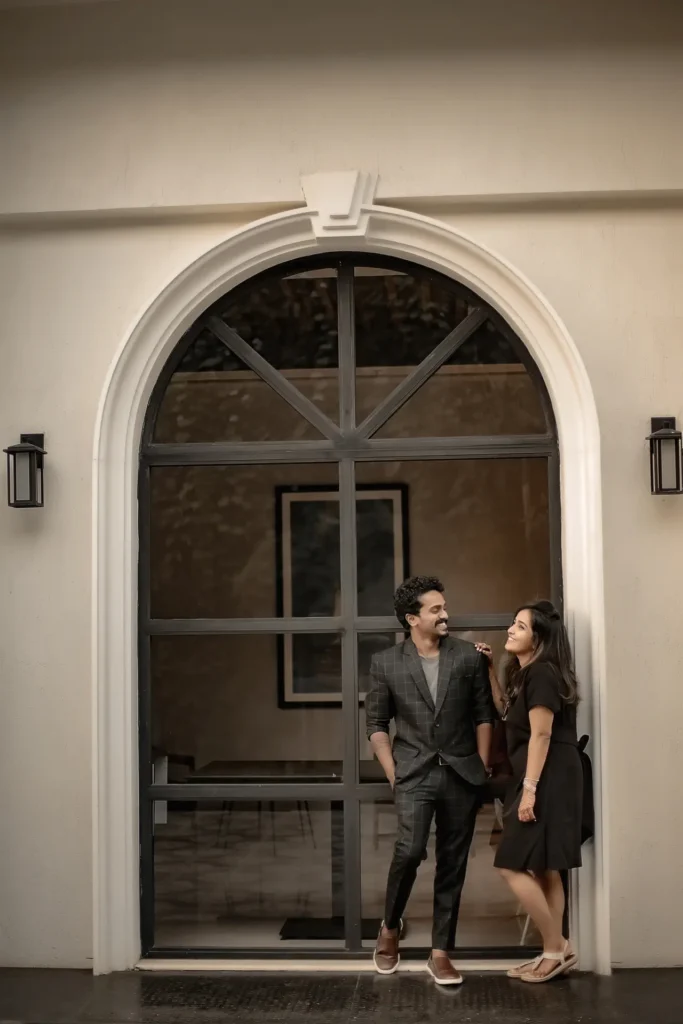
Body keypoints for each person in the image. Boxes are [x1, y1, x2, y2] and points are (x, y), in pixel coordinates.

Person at [366, 576, 494, 985]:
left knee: (452, 863)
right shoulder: (386, 662)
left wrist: (483, 767)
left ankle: (440, 952)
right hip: (413, 772)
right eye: (435, 609)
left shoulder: (468, 657)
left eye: (444, 607)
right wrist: (392, 770)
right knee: (410, 850)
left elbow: (484, 715)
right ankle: (390, 927)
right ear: (412, 618)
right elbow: (376, 723)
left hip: (461, 773)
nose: (445, 614)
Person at [476, 600, 583, 984]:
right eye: (512, 623)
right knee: (545, 868)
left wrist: (529, 792)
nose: (510, 630)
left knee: (510, 863)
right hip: (546, 774)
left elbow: (541, 734)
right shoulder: (527, 675)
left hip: (548, 777)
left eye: (519, 626)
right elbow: (508, 711)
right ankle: (557, 950)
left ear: (538, 639)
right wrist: (490, 671)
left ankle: (556, 949)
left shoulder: (542, 674)